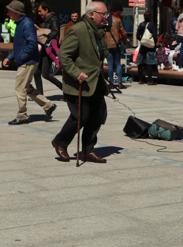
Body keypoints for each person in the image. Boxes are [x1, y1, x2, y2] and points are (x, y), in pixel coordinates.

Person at [52, 1, 109, 163]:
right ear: (91, 14)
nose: (106, 17)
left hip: (95, 82)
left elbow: (100, 53)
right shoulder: (78, 30)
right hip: (78, 83)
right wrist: (77, 73)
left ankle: (88, 150)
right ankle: (60, 142)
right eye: (103, 14)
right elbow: (64, 55)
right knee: (80, 116)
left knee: (98, 115)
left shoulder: (99, 31)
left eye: (106, 14)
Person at [3, 1, 56, 125]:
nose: (8, 13)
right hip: (27, 60)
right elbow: (19, 46)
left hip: (28, 62)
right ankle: (48, 105)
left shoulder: (26, 24)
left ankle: (22, 115)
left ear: (16, 12)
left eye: (9, 10)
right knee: (26, 87)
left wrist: (21, 57)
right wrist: (10, 57)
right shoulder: (20, 23)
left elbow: (32, 43)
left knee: (20, 88)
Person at [34, 1, 63, 93]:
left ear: (46, 10)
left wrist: (45, 39)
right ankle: (40, 94)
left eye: (40, 11)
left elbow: (55, 31)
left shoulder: (53, 18)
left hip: (49, 49)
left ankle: (64, 89)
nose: (39, 13)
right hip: (43, 49)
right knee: (37, 72)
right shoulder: (44, 19)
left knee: (45, 74)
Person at [104, 4, 127, 89]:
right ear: (116, 11)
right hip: (116, 45)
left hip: (107, 45)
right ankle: (120, 83)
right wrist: (125, 40)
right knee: (117, 64)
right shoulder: (118, 20)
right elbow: (123, 32)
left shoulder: (105, 19)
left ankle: (111, 83)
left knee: (110, 64)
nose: (120, 13)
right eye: (120, 11)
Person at [136, 11, 157, 85]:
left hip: (142, 47)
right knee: (149, 63)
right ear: (150, 17)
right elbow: (154, 36)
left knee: (140, 63)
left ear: (144, 16)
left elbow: (137, 36)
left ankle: (141, 79)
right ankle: (150, 80)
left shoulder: (141, 24)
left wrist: (143, 41)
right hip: (150, 48)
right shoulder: (151, 25)